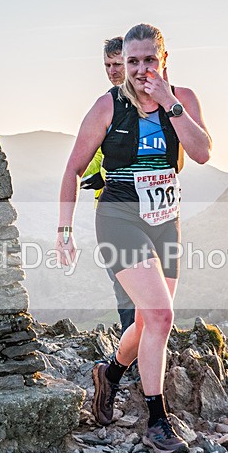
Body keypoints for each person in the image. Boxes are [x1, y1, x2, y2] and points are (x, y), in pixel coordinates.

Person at [57, 23, 212, 453]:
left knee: (146, 322)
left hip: (165, 220)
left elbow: (202, 152)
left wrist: (169, 103)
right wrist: (65, 230)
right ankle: (157, 422)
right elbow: (73, 169)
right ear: (123, 63)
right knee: (161, 316)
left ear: (164, 59)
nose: (141, 69)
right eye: (132, 61)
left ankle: (109, 374)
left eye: (149, 60)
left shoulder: (183, 99)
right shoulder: (108, 106)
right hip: (119, 216)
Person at [80, 36, 136, 335]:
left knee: (139, 289)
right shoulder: (107, 104)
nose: (112, 71)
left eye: (118, 64)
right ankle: (134, 352)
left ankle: (141, 353)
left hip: (143, 211)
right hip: (110, 209)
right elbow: (98, 155)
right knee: (123, 286)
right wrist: (93, 173)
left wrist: (105, 175)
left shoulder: (148, 104)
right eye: (107, 65)